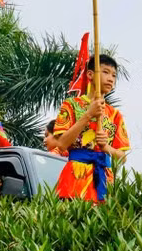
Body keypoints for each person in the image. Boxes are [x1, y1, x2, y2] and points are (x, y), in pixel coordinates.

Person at [51, 55, 130, 202]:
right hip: (75, 178)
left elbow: (122, 158)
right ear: (90, 74)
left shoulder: (115, 115)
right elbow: (61, 144)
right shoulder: (71, 105)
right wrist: (88, 114)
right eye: (105, 72)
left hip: (104, 180)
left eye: (114, 75)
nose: (111, 78)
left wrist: (106, 147)